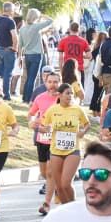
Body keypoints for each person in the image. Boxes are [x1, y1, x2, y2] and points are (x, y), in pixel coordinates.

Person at [41, 85, 92, 213]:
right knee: (59, 186)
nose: (70, 96)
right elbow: (43, 126)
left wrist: (82, 132)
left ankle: (74, 207)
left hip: (72, 150)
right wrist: (45, 129)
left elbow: (87, 124)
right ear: (60, 95)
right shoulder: (52, 110)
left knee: (65, 183)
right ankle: (67, 211)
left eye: (71, 94)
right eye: (67, 93)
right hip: (55, 151)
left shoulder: (77, 109)